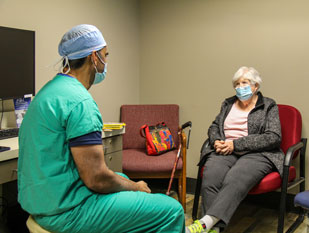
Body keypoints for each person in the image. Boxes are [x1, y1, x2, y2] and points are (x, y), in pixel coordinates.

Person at [18, 24, 185, 233]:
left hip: (43, 202)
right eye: (105, 55)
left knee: (122, 177)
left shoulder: (47, 92)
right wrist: (136, 187)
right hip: (68, 212)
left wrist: (129, 184)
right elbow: (96, 178)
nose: (106, 62)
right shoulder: (79, 102)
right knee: (171, 210)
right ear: (94, 57)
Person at [186, 67, 283, 233]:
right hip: (225, 150)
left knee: (234, 178)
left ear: (255, 86)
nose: (240, 87)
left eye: (244, 83)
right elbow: (215, 126)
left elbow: (273, 137)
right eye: (236, 84)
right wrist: (216, 140)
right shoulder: (228, 103)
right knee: (211, 177)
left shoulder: (268, 105)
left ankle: (205, 223)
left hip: (257, 154)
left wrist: (236, 144)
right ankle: (214, 230)